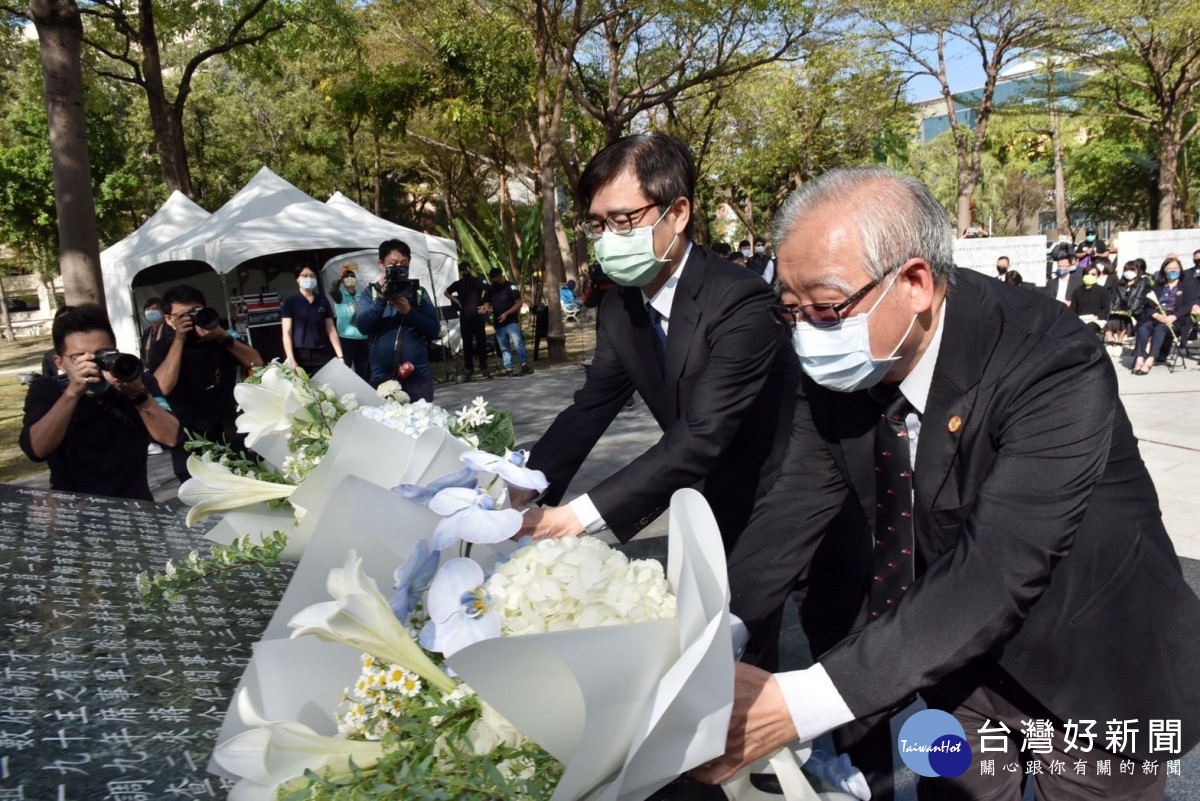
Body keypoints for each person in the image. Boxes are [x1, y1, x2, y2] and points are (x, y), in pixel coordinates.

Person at [695, 167, 1200, 800]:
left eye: (824, 309)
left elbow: (999, 566)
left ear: (914, 283)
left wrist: (799, 702)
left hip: (1089, 672)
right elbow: (790, 505)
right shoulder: (840, 366)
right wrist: (719, 630)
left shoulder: (1049, 359)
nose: (806, 335)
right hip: (947, 661)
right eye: (789, 311)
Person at [515, 132, 799, 552]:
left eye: (624, 220)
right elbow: (592, 406)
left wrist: (572, 519)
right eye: (598, 224)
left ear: (678, 212)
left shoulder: (739, 300)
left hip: (784, 493)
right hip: (704, 494)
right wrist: (525, 485)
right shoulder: (620, 306)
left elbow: (703, 433)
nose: (609, 237)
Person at [20, 304, 180, 500]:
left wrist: (138, 395)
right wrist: (72, 393)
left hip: (134, 506)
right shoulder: (47, 390)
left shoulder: (137, 382)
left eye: (102, 353)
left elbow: (171, 437)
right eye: (79, 357)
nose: (93, 363)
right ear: (59, 362)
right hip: (75, 513)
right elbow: (36, 450)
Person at [147, 284, 263, 482]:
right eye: (183, 315)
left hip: (228, 429)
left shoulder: (219, 333)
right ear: (168, 319)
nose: (191, 320)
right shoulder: (163, 346)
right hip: (190, 436)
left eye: (195, 312)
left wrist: (223, 337)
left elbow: (256, 362)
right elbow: (163, 387)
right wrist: (179, 340)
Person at [357, 239, 440, 400]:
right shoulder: (370, 293)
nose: (399, 269)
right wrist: (380, 300)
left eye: (404, 264)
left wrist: (409, 311)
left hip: (417, 375)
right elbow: (363, 326)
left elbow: (433, 330)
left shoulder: (418, 293)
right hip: (382, 377)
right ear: (381, 264)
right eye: (393, 264)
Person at [1132, 257, 1196, 375]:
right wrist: (1156, 314)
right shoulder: (1157, 286)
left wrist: (1173, 317)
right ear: (1164, 270)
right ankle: (1139, 358)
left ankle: (1151, 359)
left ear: (1180, 270)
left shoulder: (1186, 286)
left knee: (1160, 329)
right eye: (1169, 268)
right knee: (1143, 328)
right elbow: (1148, 304)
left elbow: (1187, 306)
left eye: (1175, 268)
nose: (1172, 271)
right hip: (1156, 316)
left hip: (1175, 319)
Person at [281, 263, 343, 375]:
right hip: (299, 354)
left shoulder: (322, 300)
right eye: (304, 276)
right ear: (297, 279)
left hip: (322, 353)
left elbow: (331, 330)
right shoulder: (291, 301)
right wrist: (291, 359)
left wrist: (340, 356)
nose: (308, 279)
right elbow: (287, 332)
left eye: (312, 275)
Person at [444, 262, 492, 380]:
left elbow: (490, 291)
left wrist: (486, 304)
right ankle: (469, 369)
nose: (465, 272)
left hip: (478, 316)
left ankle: (484, 366)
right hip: (465, 317)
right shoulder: (459, 283)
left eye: (466, 269)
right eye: (462, 271)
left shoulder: (478, 281)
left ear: (470, 269)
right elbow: (446, 292)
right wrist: (457, 301)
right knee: (467, 344)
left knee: (481, 342)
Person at [483, 267, 532, 377]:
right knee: (504, 347)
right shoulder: (491, 289)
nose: (495, 282)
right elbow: (487, 301)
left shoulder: (511, 287)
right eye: (493, 280)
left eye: (496, 279)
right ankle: (508, 367)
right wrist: (486, 307)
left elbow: (519, 303)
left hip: (511, 321)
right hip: (498, 322)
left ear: (500, 277)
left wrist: (507, 314)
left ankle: (524, 364)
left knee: (518, 343)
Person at [330, 267, 371, 382]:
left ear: (356, 280)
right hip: (346, 338)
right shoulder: (340, 295)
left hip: (362, 338)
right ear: (343, 281)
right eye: (346, 276)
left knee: (362, 370)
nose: (349, 278)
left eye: (352, 276)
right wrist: (340, 276)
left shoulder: (361, 296)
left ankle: (363, 392)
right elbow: (332, 290)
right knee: (346, 369)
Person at [1104, 260, 1150, 346]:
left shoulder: (1141, 283)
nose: (1129, 272)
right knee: (1111, 317)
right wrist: (1114, 310)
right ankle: (1110, 341)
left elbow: (1138, 299)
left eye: (1132, 270)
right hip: (1121, 309)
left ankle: (1119, 342)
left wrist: (1129, 310)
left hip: (1135, 310)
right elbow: (1117, 299)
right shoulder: (1121, 284)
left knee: (1125, 319)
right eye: (1126, 270)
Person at [1069, 263, 1111, 332]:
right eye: (1087, 274)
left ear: (1098, 276)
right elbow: (1072, 309)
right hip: (1080, 319)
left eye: (1093, 274)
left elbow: (1106, 308)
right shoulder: (1077, 291)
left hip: (1095, 320)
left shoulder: (1103, 291)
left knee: (1088, 328)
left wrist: (1097, 316)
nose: (1089, 276)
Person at [140, 297, 168, 363]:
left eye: (154, 309)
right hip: (149, 368)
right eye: (147, 309)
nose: (150, 312)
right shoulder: (147, 332)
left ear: (163, 311)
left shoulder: (169, 328)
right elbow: (143, 352)